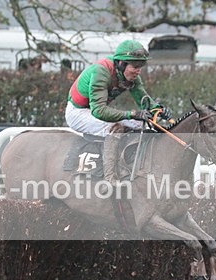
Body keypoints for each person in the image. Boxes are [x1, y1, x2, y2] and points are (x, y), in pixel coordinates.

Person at [65, 39, 169, 184]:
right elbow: (99, 111)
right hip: (79, 113)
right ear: (121, 63)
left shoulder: (131, 77)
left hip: (96, 109)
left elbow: (145, 101)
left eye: (141, 66)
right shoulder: (101, 71)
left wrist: (159, 110)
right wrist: (131, 114)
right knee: (115, 128)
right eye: (135, 66)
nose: (138, 70)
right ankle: (110, 179)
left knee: (139, 124)